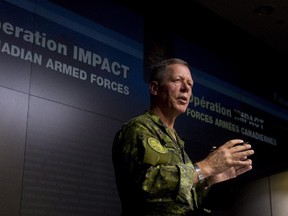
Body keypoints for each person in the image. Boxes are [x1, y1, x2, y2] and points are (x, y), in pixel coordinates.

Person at [112, 58, 254, 216]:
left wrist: (210, 179)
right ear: (154, 88)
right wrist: (205, 167)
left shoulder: (177, 142)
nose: (186, 88)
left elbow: (180, 202)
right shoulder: (139, 128)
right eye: (177, 80)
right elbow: (144, 185)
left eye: (190, 84)